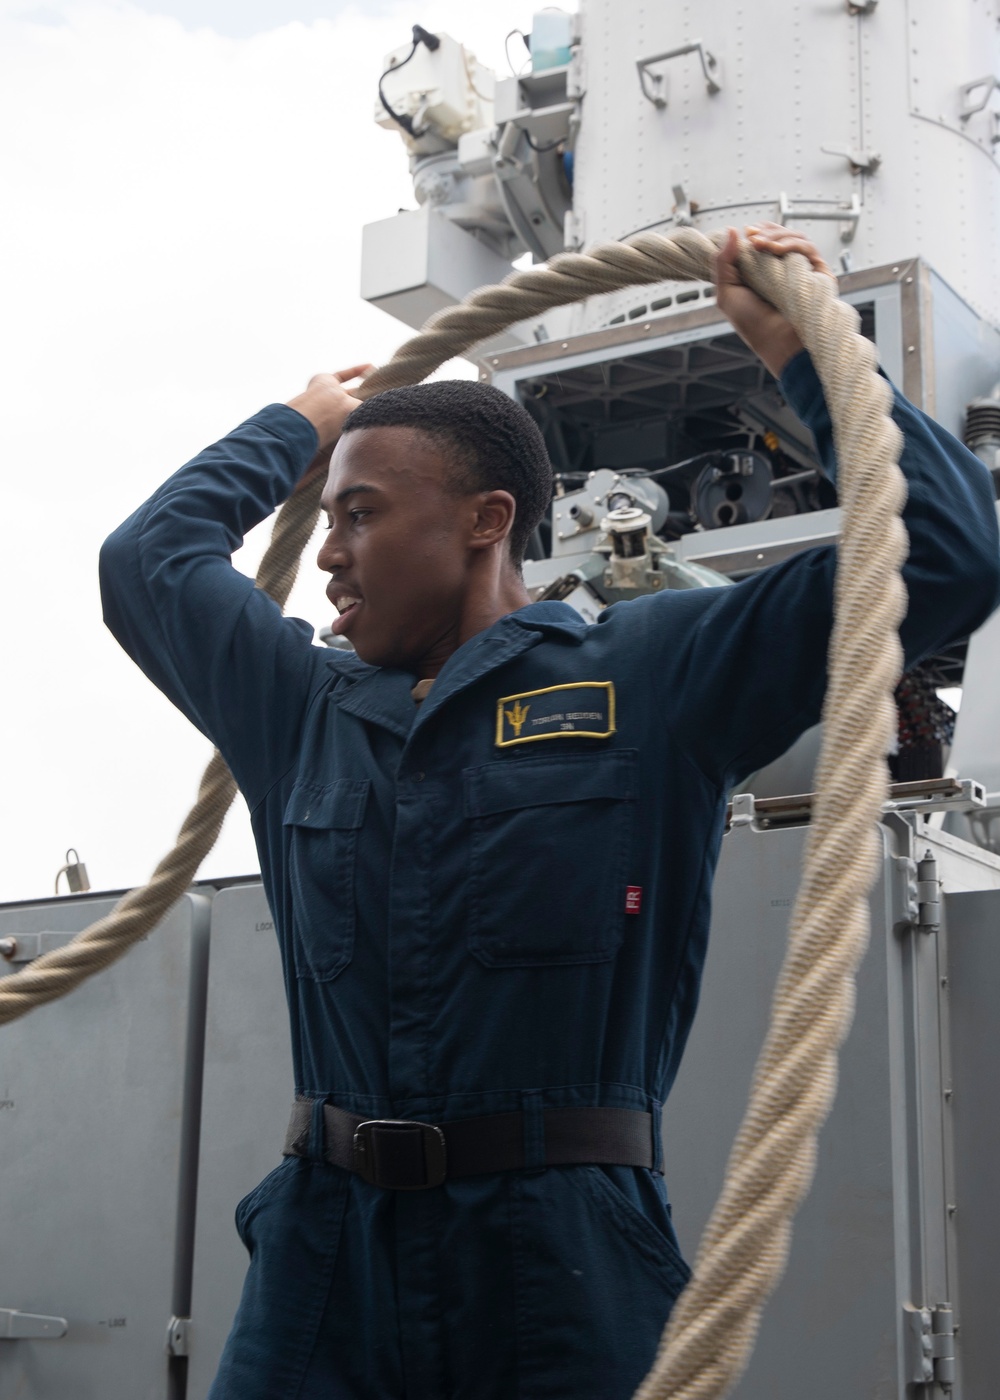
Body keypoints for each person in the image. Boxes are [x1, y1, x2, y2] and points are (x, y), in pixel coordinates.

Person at [100, 226, 1000, 1400]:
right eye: (328, 517)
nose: (327, 554)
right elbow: (148, 560)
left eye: (360, 513)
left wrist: (807, 356)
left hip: (562, 1255)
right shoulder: (299, 708)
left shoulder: (660, 671)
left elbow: (945, 552)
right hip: (323, 1258)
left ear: (483, 520)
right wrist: (296, 430)